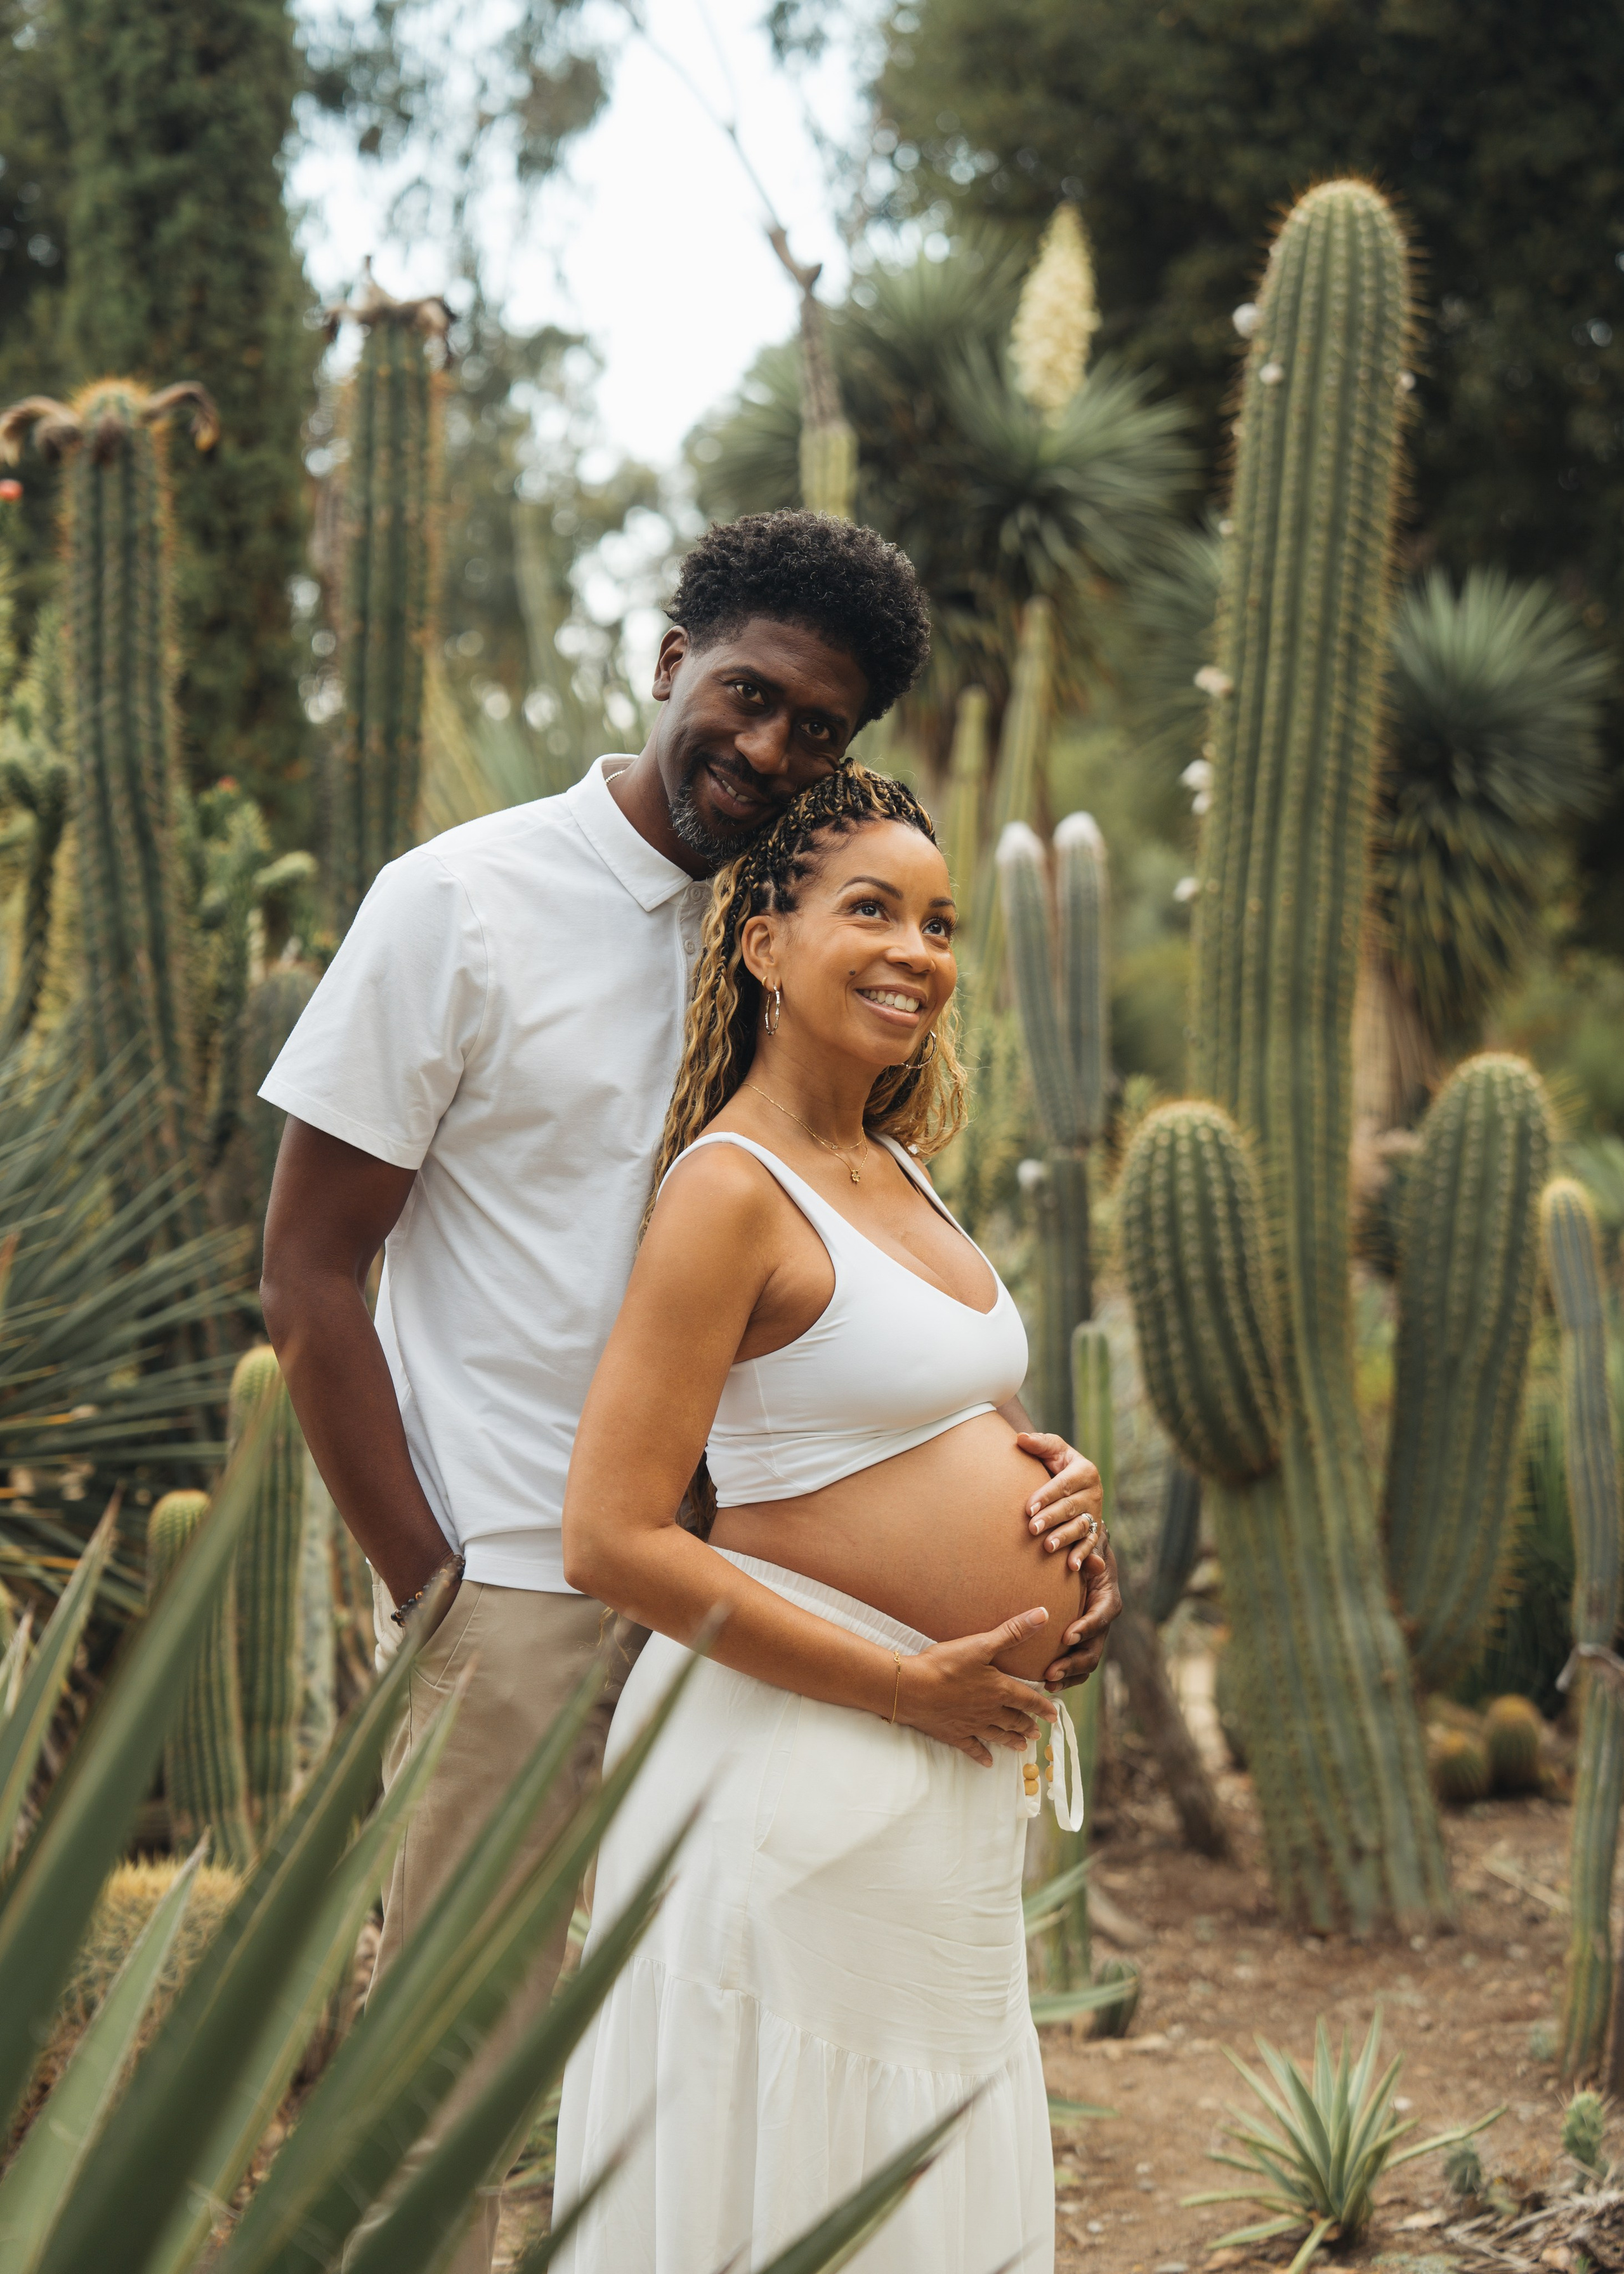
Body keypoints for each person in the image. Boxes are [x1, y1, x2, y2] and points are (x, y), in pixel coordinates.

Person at [258, 509, 1118, 2274]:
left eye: (820, 726)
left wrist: (997, 1467)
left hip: (765, 1620)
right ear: (670, 668)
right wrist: (436, 1588)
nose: (771, 747)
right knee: (454, 2099)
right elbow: (307, 1274)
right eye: (746, 695)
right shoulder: (461, 904)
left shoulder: (807, 924)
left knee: (688, 2080)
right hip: (518, 1583)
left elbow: (839, 1290)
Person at [553, 766, 1121, 2274]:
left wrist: (1052, 1485)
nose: (914, 950)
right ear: (760, 944)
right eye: (866, 908)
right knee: (796, 2173)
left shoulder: (899, 1172)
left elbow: (902, 1410)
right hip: (793, 1756)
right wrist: (904, 1683)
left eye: (936, 922)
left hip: (926, 1771)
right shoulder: (728, 1191)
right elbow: (611, 1536)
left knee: (903, 2169)